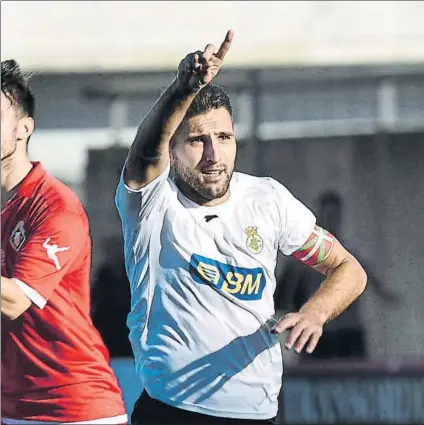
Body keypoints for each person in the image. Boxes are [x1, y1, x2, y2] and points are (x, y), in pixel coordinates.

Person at [115, 30, 367, 424]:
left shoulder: (267, 199)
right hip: (172, 410)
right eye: (198, 140)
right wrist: (184, 88)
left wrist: (315, 313)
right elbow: (145, 153)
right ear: (173, 148)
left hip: (258, 412)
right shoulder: (151, 202)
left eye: (224, 137)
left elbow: (348, 269)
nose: (214, 154)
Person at [1, 60, 127, 424]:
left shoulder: (56, 206)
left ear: (24, 129)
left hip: (74, 408)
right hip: (15, 407)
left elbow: (14, 301)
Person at [275, 190, 400, 360]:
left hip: (348, 332)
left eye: (334, 215)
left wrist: (391, 297)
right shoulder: (301, 259)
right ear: (319, 215)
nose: (331, 219)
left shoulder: (352, 253)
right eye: (327, 214)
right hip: (318, 332)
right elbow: (284, 296)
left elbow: (374, 282)